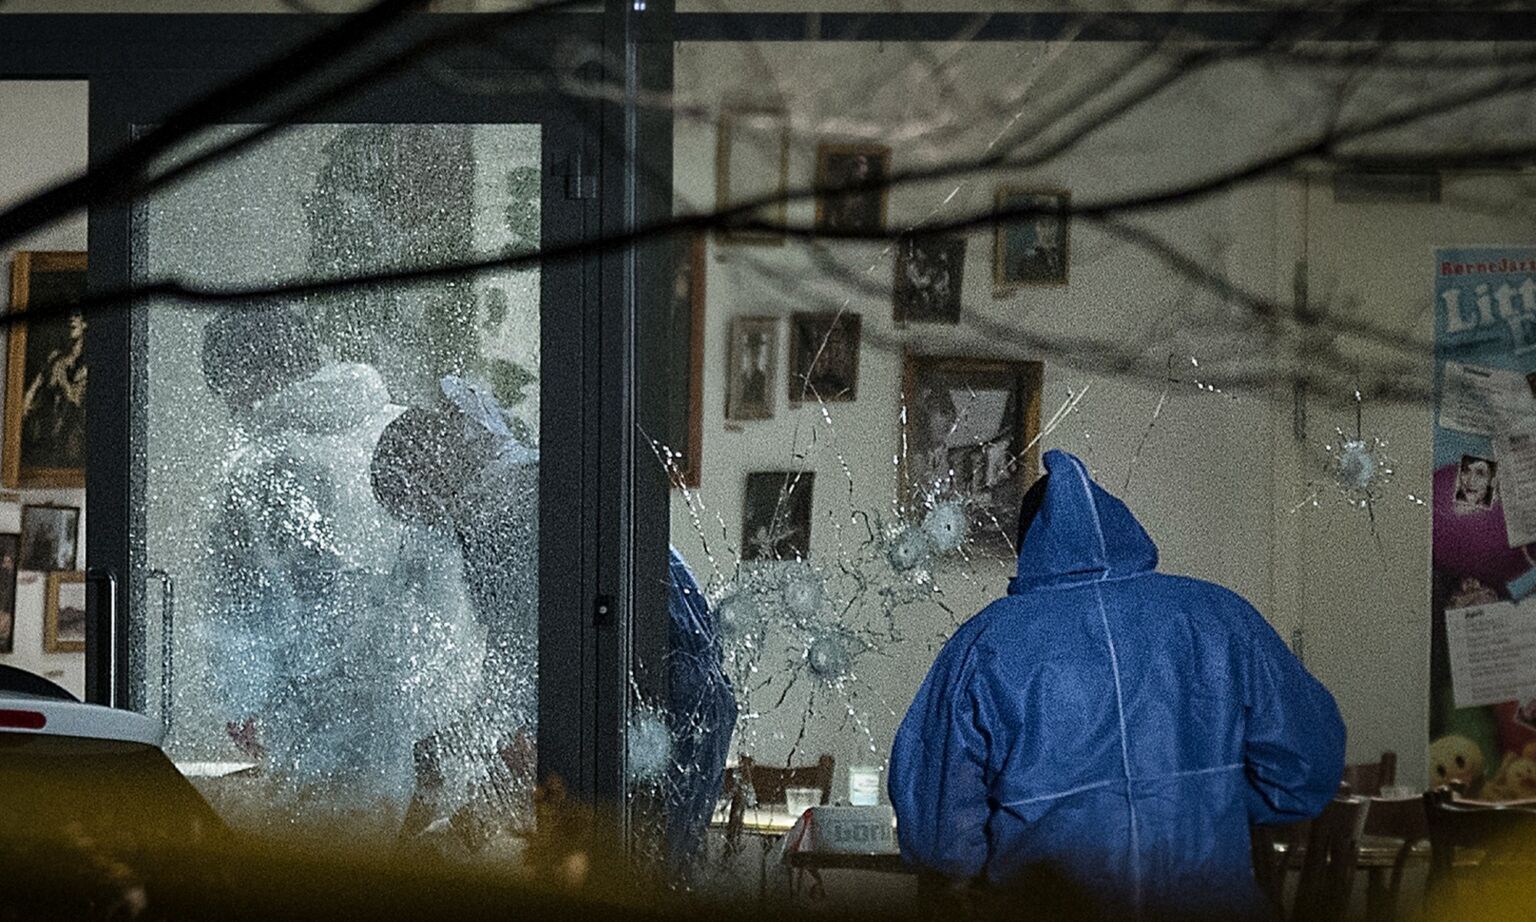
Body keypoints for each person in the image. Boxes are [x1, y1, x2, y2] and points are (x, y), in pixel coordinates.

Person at [889, 449, 1344, 920]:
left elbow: (940, 839)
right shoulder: (1223, 618)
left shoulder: (984, 643)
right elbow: (1306, 774)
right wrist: (1207, 801)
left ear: (1027, 549)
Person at [370, 377, 737, 879]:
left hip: (656, 715)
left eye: (417, 509)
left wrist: (455, 836)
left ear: (428, 479)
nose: (431, 525)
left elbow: (537, 715)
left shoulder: (502, 524)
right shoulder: (532, 477)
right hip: (680, 698)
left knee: (636, 882)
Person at [200, 305, 482, 842]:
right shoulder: (396, 427)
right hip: (438, 712)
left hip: (328, 722)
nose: (232, 410)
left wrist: (240, 700)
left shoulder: (265, 465)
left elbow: (238, 600)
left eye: (229, 391)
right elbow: (444, 572)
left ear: (249, 378)